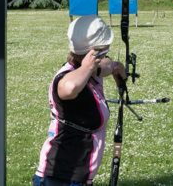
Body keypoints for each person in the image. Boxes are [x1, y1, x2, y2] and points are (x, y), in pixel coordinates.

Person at [32, 15, 126, 186]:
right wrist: (88, 67)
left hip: (77, 176)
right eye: (102, 52)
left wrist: (116, 67)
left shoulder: (89, 70)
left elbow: (104, 66)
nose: (104, 56)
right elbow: (67, 88)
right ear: (92, 54)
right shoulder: (68, 76)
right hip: (60, 176)